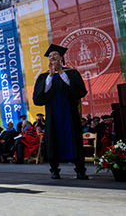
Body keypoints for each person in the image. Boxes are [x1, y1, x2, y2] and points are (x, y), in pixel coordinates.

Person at [33, 44, 88, 180]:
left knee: (74, 139)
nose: (53, 58)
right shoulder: (44, 77)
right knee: (53, 141)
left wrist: (61, 73)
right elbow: (38, 98)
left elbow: (79, 91)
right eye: (50, 57)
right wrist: (51, 76)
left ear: (62, 58)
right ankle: (54, 170)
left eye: (55, 55)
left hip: (70, 114)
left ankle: (80, 170)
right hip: (53, 116)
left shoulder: (72, 73)